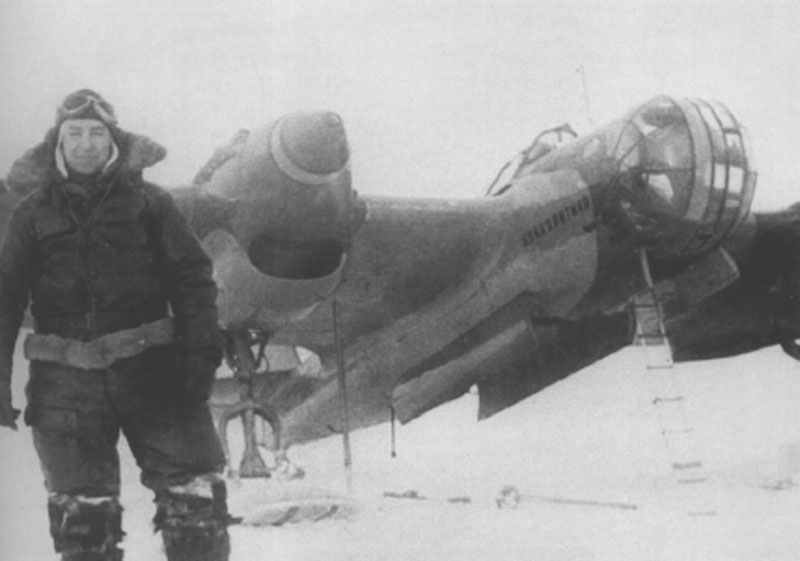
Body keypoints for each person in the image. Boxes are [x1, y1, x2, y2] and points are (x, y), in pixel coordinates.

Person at [0, 89, 233, 561]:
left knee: (195, 512)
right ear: (57, 143)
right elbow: (4, 300)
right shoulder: (29, 215)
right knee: (83, 525)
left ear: (114, 140)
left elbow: (193, 284)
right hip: (65, 388)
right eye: (75, 134)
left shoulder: (152, 205)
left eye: (96, 133)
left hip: (156, 376)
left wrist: (198, 366)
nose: (85, 143)